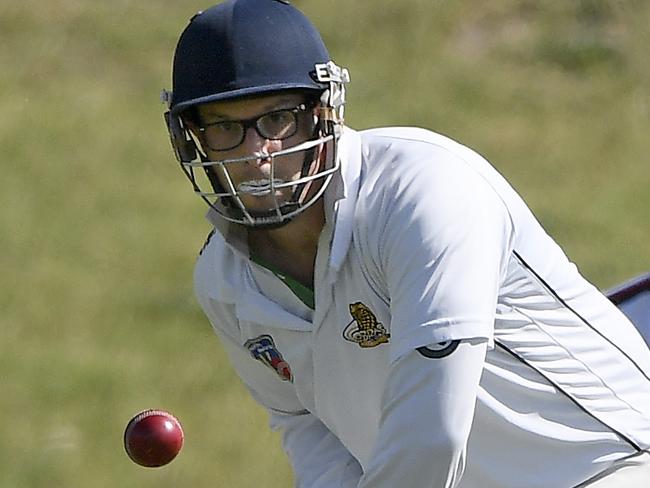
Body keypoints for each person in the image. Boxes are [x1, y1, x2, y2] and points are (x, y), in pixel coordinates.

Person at [162, 1, 650, 486]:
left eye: (276, 119)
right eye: (225, 126)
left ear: (322, 112)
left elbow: (431, 432)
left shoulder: (424, 191)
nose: (257, 155)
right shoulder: (224, 281)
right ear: (193, 138)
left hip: (613, 466)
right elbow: (313, 437)